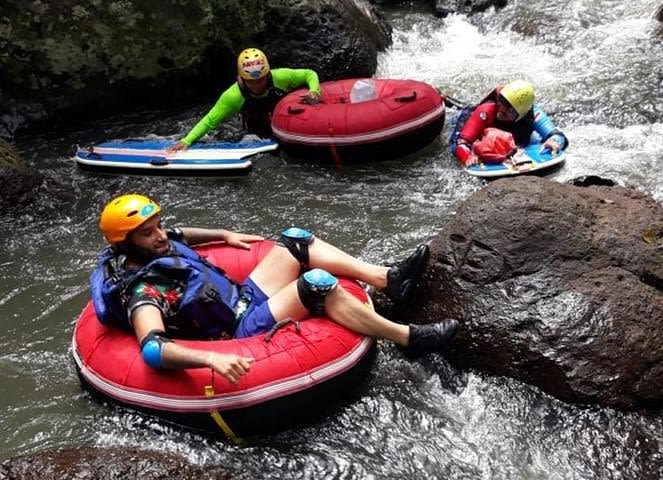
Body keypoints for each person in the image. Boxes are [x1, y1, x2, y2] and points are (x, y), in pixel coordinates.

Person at [91, 194, 459, 384]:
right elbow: (153, 350)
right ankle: (408, 338)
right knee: (315, 285)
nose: (159, 235)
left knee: (295, 240)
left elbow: (180, 234)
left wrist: (223, 235)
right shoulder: (145, 291)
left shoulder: (159, 243)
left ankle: (388, 279)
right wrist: (211, 359)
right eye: (147, 232)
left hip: (240, 297)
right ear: (125, 243)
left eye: (158, 225)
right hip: (237, 328)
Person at [167, 48, 321, 151]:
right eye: (251, 81)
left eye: (261, 79)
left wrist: (314, 91)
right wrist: (186, 141)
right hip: (255, 133)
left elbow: (309, 74)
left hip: (283, 121)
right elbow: (210, 120)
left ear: (267, 74)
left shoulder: (282, 76)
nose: (257, 85)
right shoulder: (233, 96)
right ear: (242, 78)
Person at [451, 80, 569, 166]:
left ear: (522, 112)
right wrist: (468, 156)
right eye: (502, 101)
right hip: (471, 117)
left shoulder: (533, 114)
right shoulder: (487, 110)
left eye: (509, 107)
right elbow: (461, 143)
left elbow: (558, 136)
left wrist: (554, 141)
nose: (502, 108)